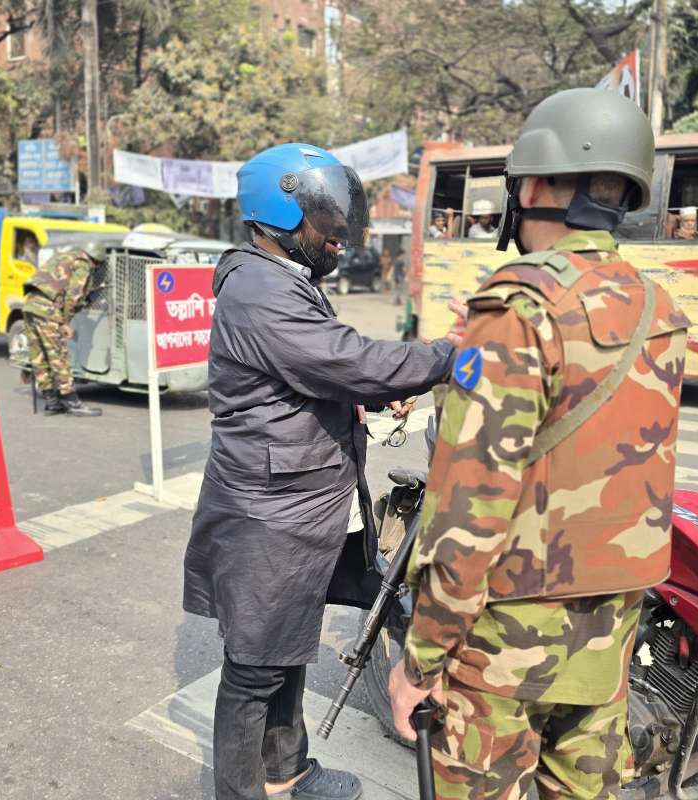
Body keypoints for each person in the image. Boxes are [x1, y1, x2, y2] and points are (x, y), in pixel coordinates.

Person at [388, 87, 690, 799]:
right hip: (608, 636)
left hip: (500, 646)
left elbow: (469, 511)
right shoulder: (657, 308)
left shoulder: (518, 307)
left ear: (539, 183)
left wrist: (420, 662)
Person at [181, 142, 460, 800]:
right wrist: (449, 355)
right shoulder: (260, 289)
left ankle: (287, 770)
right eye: (326, 224)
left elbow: (306, 378)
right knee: (254, 668)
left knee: (288, 645)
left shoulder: (281, 280)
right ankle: (244, 792)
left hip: (300, 503)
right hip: (269, 512)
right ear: (280, 214)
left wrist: (360, 394)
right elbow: (345, 359)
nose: (338, 240)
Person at [21, 241, 106, 417]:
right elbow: (73, 296)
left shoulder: (64, 256)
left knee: (39, 356)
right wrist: (65, 322)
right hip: (47, 309)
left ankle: (52, 402)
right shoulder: (82, 263)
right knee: (58, 356)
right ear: (96, 260)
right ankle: (72, 402)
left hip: (30, 305)